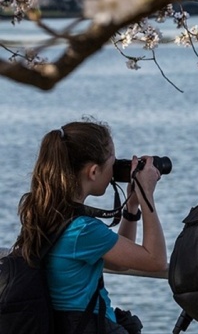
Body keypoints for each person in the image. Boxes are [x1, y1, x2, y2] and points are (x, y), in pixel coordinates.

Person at [12, 119, 167, 333]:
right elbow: (156, 261)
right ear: (93, 172)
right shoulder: (83, 230)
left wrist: (132, 207)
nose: (114, 172)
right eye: (112, 164)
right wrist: (147, 195)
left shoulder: (45, 214)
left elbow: (121, 262)